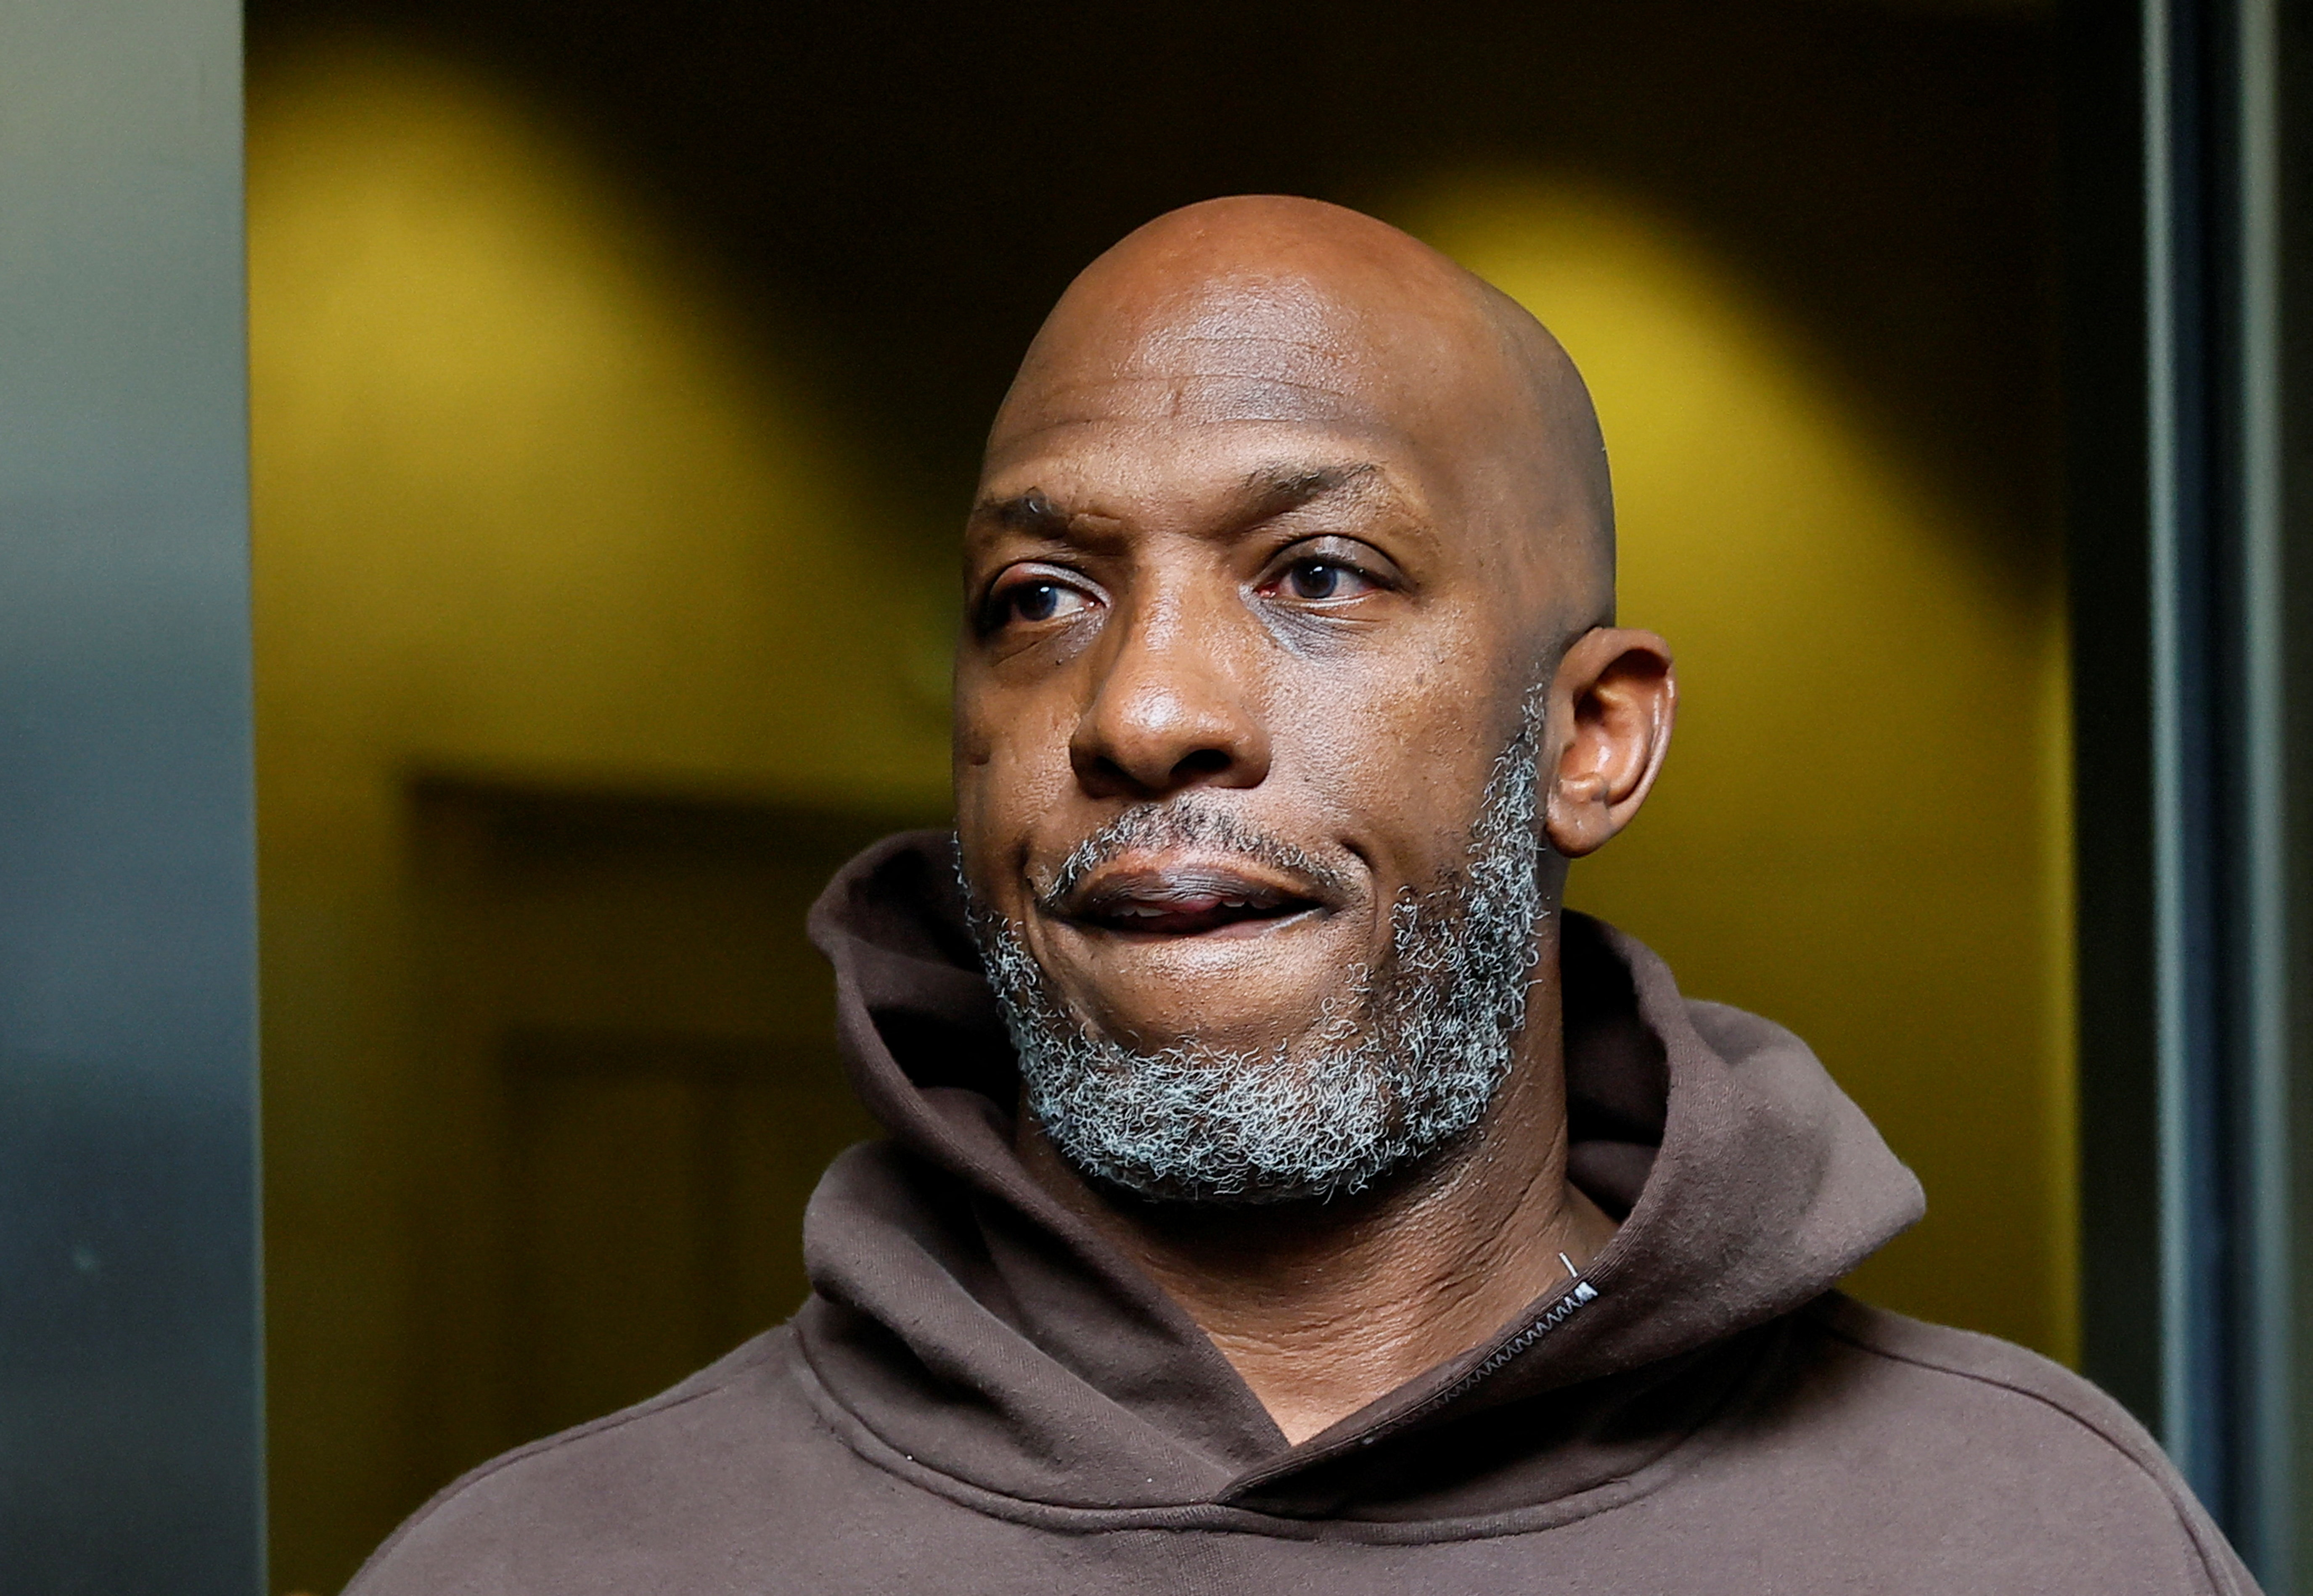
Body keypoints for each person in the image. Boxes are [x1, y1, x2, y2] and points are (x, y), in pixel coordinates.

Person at [348, 196, 2254, 1593]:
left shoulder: (2032, 1535)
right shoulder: (540, 1566)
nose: (1146, 709)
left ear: (1589, 736)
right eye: (1042, 598)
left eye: (1319, 572)